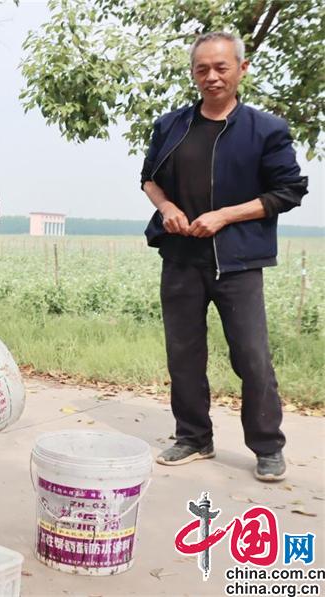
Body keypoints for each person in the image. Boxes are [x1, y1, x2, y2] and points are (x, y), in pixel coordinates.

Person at [140, 31, 308, 481]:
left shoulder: (266, 129)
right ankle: (193, 437)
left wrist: (225, 217)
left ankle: (268, 446)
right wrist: (168, 208)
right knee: (184, 355)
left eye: (221, 68)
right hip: (179, 258)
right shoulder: (171, 125)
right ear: (193, 73)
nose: (211, 77)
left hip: (237, 262)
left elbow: (288, 191)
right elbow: (149, 179)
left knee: (252, 357)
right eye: (202, 69)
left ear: (241, 69)